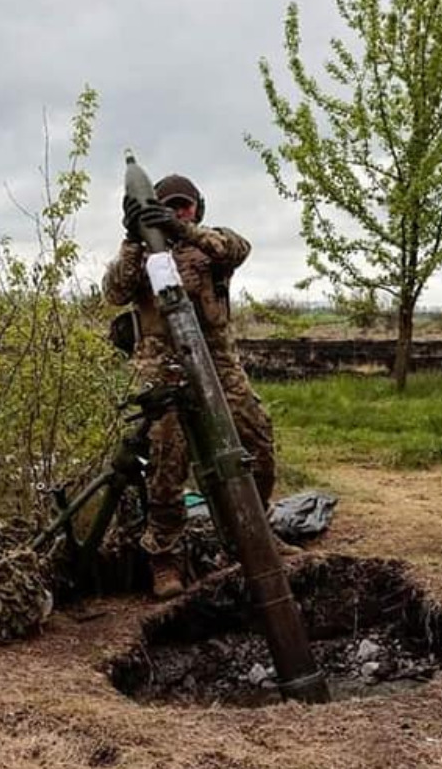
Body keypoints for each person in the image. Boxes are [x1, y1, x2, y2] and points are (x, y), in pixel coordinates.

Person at [102, 174, 298, 600]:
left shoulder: (209, 245)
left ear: (198, 208)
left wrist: (181, 231)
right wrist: (133, 236)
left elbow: (237, 247)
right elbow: (115, 290)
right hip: (163, 368)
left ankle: (256, 533)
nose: (178, 211)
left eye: (185, 205)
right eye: (169, 206)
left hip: (219, 366)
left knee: (257, 440)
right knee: (167, 460)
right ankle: (165, 556)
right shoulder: (142, 252)